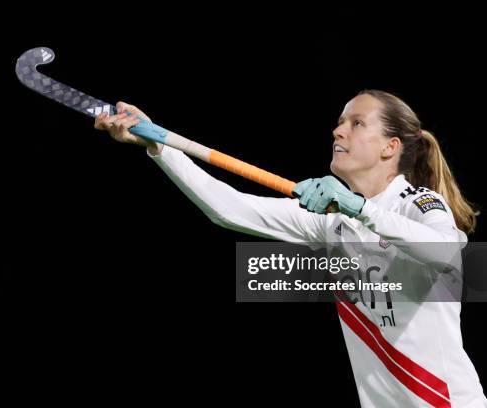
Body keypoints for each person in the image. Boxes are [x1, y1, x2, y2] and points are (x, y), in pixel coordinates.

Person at [94, 90, 486, 407]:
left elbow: (444, 252)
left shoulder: (418, 204)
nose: (338, 131)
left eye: (356, 123)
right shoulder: (332, 221)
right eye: (340, 121)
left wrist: (361, 208)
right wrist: (160, 146)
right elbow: (229, 208)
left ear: (390, 147)